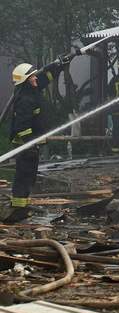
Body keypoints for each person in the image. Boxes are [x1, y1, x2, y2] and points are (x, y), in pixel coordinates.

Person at [4, 55, 71, 223]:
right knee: (24, 176)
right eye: (32, 76)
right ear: (26, 80)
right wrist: (30, 144)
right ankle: (18, 208)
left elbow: (45, 77)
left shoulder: (31, 89)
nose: (35, 77)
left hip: (31, 144)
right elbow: (22, 126)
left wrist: (60, 65)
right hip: (25, 145)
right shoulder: (25, 99)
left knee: (29, 176)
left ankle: (22, 205)